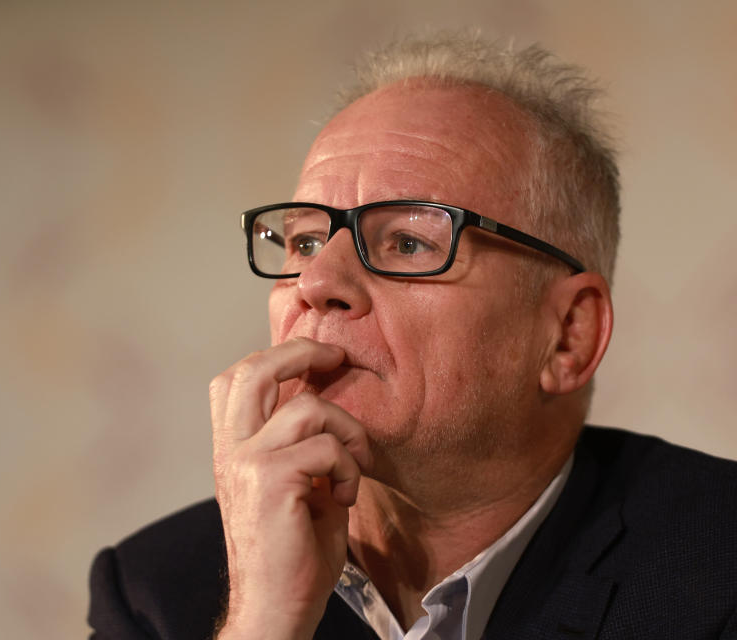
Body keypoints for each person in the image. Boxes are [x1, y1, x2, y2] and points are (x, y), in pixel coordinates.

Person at [88, 32, 737, 639]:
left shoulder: (719, 563)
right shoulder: (156, 590)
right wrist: (263, 621)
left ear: (568, 335)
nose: (317, 281)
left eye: (406, 242)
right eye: (306, 240)